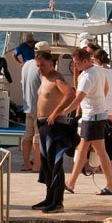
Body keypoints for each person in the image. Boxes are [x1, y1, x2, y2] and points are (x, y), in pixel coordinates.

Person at [58, 47, 112, 196]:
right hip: (97, 114)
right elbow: (105, 89)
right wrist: (98, 100)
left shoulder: (86, 77)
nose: (75, 66)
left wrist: (66, 110)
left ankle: (110, 186)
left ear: (85, 61)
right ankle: (72, 182)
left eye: (77, 63)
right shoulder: (99, 70)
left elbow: (78, 97)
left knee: (96, 151)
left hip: (91, 117)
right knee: (84, 149)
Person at [32, 51, 75, 214]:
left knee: (55, 164)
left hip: (55, 125)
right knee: (46, 164)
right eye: (38, 66)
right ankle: (49, 198)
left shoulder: (57, 78)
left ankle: (58, 202)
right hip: (43, 124)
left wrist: (55, 112)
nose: (40, 68)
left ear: (51, 64)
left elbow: (70, 94)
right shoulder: (43, 78)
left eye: (42, 65)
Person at [19, 41, 46, 171]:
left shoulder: (26, 64)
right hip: (38, 107)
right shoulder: (41, 66)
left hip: (27, 106)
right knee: (37, 136)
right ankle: (37, 165)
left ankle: (26, 163)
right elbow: (45, 88)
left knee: (27, 136)